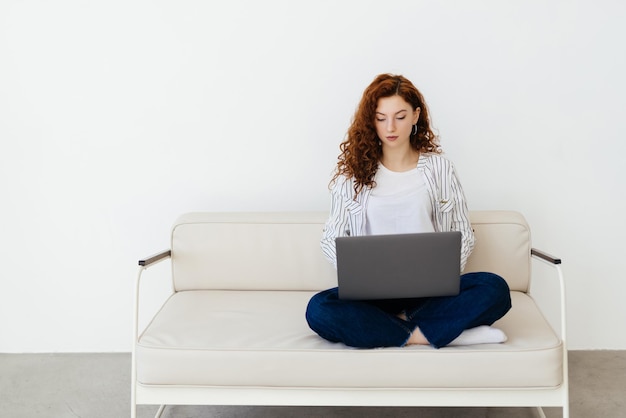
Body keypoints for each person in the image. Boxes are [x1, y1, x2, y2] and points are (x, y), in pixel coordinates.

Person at [305, 74, 512, 349]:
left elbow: (463, 234)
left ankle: (397, 327)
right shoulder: (351, 177)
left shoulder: (440, 169)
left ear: (416, 116)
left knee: (494, 288)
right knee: (318, 309)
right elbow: (331, 238)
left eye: (400, 116)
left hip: (430, 294)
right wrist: (358, 274)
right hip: (372, 297)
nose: (390, 127)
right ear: (371, 121)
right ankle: (432, 334)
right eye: (381, 118)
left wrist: (443, 275)